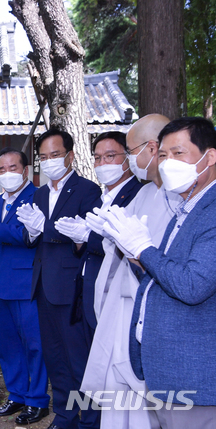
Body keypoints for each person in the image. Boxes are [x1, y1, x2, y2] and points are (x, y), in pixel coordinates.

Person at [99, 117, 216, 428]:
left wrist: (143, 249)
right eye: (162, 155)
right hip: (165, 371)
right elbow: (164, 275)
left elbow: (193, 285)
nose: (168, 164)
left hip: (194, 376)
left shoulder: (212, 210)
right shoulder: (187, 205)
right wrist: (134, 252)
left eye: (179, 154)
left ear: (210, 157)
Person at [80, 114, 181, 429]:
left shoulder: (181, 199)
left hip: (149, 312)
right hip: (121, 308)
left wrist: (134, 248)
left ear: (151, 147)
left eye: (130, 150)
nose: (130, 158)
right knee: (119, 395)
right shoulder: (146, 193)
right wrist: (110, 237)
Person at [16, 128, 101, 429]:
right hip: (42, 287)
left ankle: (90, 420)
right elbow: (32, 237)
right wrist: (32, 231)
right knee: (55, 359)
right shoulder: (39, 192)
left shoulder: (87, 191)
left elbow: (87, 239)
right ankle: (65, 415)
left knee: (79, 360)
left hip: (71, 288)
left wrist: (46, 229)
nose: (49, 161)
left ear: (70, 155)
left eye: (55, 155)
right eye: (43, 157)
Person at [0, 147, 50, 425]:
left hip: (26, 283)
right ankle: (16, 395)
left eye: (13, 168)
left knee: (34, 344)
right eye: (2, 170)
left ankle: (37, 400)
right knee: (7, 345)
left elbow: (30, 237)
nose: (7, 174)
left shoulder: (39, 197)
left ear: (25, 170)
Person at [55, 132, 142, 333]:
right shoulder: (100, 197)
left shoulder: (135, 195)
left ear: (128, 158)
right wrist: (78, 240)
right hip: (89, 288)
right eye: (97, 158)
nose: (102, 163)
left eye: (110, 156)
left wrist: (89, 237)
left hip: (115, 292)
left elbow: (127, 247)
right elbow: (84, 248)